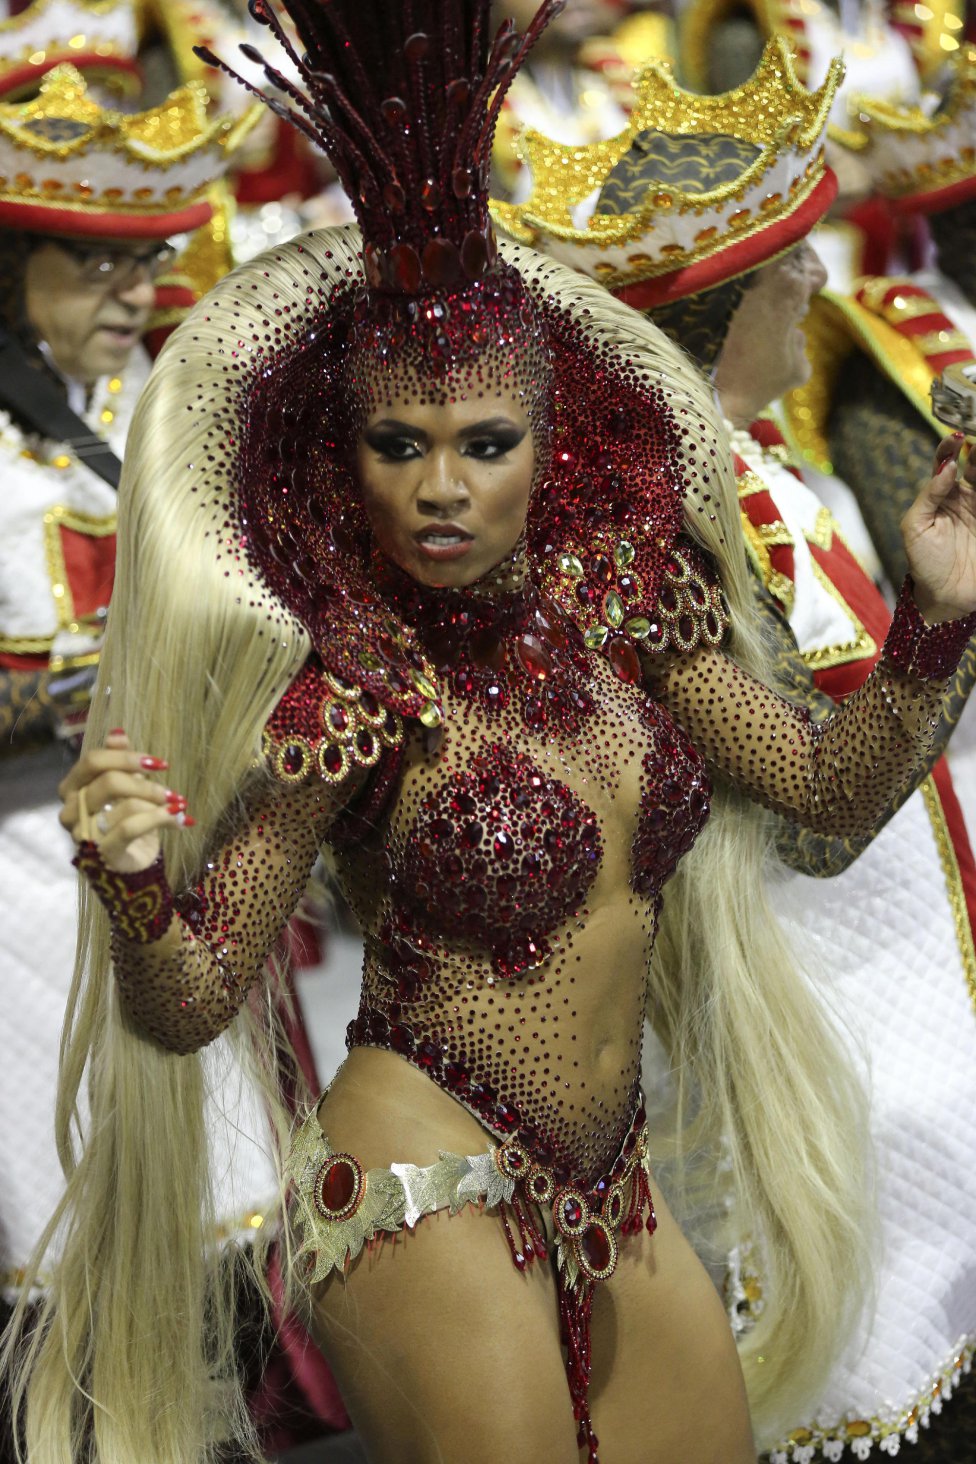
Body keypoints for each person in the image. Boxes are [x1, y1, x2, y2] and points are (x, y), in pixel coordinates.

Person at [10, 4, 976, 1463]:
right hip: (417, 1187)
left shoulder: (636, 615)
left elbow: (829, 788)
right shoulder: (351, 694)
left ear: (553, 434)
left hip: (617, 1186)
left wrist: (938, 617)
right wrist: (138, 881)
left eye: (484, 443)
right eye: (398, 447)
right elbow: (191, 997)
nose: (441, 488)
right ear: (347, 461)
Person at [499, 34, 976, 1460]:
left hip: (884, 1048)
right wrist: (945, 625)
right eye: (793, 269)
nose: (822, 288)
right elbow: (823, 820)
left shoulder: (749, 471)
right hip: (809, 1064)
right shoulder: (661, 531)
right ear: (723, 307)